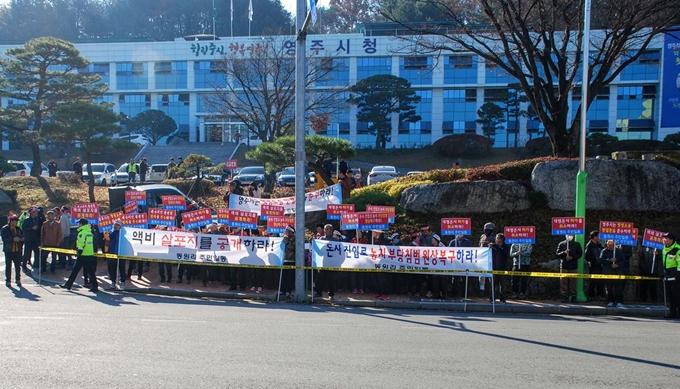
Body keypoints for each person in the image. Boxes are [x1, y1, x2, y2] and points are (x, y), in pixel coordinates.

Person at [60, 219, 98, 292]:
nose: (78, 225)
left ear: (81, 224)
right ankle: (95, 286)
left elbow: (81, 244)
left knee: (75, 270)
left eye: (79, 223)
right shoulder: (89, 232)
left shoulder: (82, 233)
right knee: (91, 271)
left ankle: (68, 285)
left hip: (83, 254)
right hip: (89, 254)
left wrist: (78, 253)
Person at [599, 239, 627, 307]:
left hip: (617, 272)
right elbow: (600, 260)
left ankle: (619, 301)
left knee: (618, 288)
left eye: (611, 244)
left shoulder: (619, 251)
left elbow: (623, 261)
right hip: (608, 272)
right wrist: (609, 260)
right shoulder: (604, 251)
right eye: (609, 244)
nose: (610, 245)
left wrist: (617, 265)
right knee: (608, 288)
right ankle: (610, 300)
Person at [315, 224, 339, 300]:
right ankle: (318, 293)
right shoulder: (321, 240)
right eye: (325, 229)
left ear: (331, 230)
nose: (325, 231)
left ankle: (331, 295)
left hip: (332, 263)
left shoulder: (335, 241)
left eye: (327, 229)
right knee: (319, 279)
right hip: (323, 263)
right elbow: (319, 252)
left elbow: (339, 253)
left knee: (331, 280)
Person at [556, 234, 582, 303]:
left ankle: (574, 296)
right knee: (563, 282)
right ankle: (564, 296)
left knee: (574, 282)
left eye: (571, 235)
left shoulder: (577, 244)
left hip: (573, 266)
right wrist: (564, 252)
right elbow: (557, 254)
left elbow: (580, 254)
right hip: (564, 265)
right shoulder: (562, 244)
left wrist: (572, 257)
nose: (570, 236)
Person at [2, 215, 24, 287]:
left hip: (17, 250)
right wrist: (13, 239)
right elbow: (4, 239)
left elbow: (22, 235)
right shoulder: (5, 229)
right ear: (11, 221)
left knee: (18, 266)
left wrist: (21, 239)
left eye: (17, 221)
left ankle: (18, 279)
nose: (16, 223)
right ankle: (8, 280)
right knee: (8, 266)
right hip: (9, 250)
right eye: (15, 221)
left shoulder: (18, 229)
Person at [661, 232, 680, 318]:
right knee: (670, 295)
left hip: (675, 274)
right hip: (667, 273)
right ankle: (672, 313)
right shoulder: (664, 248)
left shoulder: (677, 249)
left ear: (671, 240)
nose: (664, 239)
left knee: (677, 294)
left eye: (666, 238)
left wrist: (678, 275)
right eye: (663, 238)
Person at [489, 233, 510, 303]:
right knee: (493, 284)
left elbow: (503, 252)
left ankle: (503, 299)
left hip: (502, 268)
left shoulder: (506, 247)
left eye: (498, 238)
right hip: (494, 268)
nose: (496, 239)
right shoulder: (493, 247)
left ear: (502, 239)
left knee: (503, 285)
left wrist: (495, 246)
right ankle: (492, 298)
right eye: (496, 238)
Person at [584, 231, 605, 300]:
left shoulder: (599, 245)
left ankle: (600, 294)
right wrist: (594, 261)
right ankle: (591, 295)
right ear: (594, 237)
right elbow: (587, 256)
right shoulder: (589, 245)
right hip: (594, 265)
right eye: (598, 236)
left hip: (600, 265)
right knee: (593, 281)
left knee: (600, 281)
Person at [106, 220, 126, 290]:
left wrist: (120, 231)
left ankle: (123, 281)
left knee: (122, 267)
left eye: (118, 225)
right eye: (115, 225)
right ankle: (113, 281)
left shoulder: (123, 232)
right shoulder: (111, 231)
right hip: (112, 252)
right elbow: (110, 236)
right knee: (112, 268)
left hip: (121, 252)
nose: (116, 226)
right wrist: (116, 230)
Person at [478, 222, 496, 296]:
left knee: (491, 276)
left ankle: (492, 291)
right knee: (481, 276)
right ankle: (482, 290)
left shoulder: (494, 237)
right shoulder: (482, 236)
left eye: (488, 229)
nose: (486, 231)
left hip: (491, 259)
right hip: (482, 258)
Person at [280, 225, 296, 297]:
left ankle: (288, 291)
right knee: (283, 276)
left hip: (291, 260)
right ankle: (282, 290)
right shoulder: (284, 238)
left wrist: (287, 242)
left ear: (290, 232)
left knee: (290, 277)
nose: (285, 232)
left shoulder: (294, 238)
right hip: (284, 259)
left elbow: (292, 247)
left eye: (286, 230)